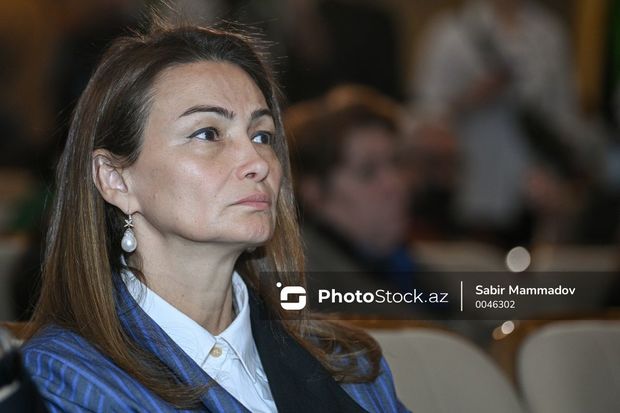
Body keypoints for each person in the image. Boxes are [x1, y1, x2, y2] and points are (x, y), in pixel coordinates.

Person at [20, 23, 409, 412]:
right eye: (208, 133)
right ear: (115, 179)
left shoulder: (351, 366)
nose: (257, 162)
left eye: (262, 136)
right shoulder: (64, 379)